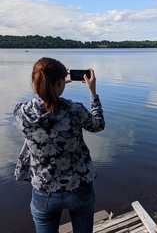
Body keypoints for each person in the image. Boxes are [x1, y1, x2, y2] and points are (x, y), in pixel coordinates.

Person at [13, 57, 105, 233]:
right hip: (78, 188)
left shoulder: (21, 112)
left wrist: (54, 88)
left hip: (43, 191)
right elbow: (99, 125)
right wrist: (93, 93)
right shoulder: (75, 110)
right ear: (60, 82)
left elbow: (47, 105)